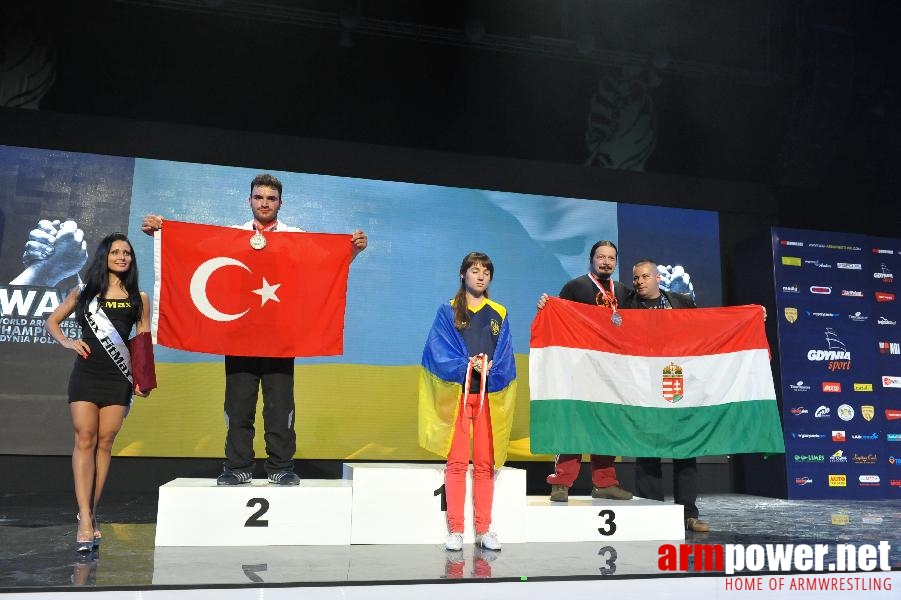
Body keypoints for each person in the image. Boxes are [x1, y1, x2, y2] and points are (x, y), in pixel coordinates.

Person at [141, 173, 367, 486]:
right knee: (238, 407)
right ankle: (237, 467)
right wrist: (163, 235)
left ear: (280, 203)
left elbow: (326, 265)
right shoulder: (232, 235)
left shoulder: (294, 236)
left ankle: (280, 467)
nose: (264, 203)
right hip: (239, 337)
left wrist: (352, 250)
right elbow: (195, 252)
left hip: (280, 339)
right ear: (249, 200)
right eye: (259, 197)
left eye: (270, 198)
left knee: (280, 408)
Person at [44, 233, 152, 553]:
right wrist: (67, 342)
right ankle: (85, 521)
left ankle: (91, 510)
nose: (122, 257)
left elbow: (143, 339)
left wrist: (143, 378)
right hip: (86, 375)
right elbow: (53, 321)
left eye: (127, 253)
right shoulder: (85, 292)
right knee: (84, 438)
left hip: (118, 377)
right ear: (104, 255)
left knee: (105, 443)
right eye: (116, 251)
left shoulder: (139, 297)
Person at [420, 252, 517, 552]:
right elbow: (437, 352)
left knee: (486, 465)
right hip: (458, 397)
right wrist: (469, 365)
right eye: (475, 271)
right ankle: (456, 530)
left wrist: (491, 368)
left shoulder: (499, 312)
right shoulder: (447, 311)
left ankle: (485, 528)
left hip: (488, 397)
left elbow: (506, 355)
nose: (481, 276)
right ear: (462, 274)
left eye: (486, 272)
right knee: (457, 463)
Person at [536, 240, 633, 502]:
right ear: (591, 259)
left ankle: (604, 482)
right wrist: (546, 306)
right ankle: (561, 482)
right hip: (578, 370)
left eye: (611, 258)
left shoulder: (624, 292)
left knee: (607, 425)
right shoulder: (575, 287)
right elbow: (557, 321)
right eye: (601, 257)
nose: (606, 262)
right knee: (572, 424)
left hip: (611, 372)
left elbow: (638, 326)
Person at [622, 258, 709, 533]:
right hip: (644, 386)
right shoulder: (627, 307)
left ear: (657, 278)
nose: (639, 282)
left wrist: (753, 317)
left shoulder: (681, 302)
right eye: (636, 278)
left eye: (645, 277)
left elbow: (706, 328)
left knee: (685, 451)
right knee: (648, 452)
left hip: (677, 383)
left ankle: (688, 514)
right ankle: (652, 514)